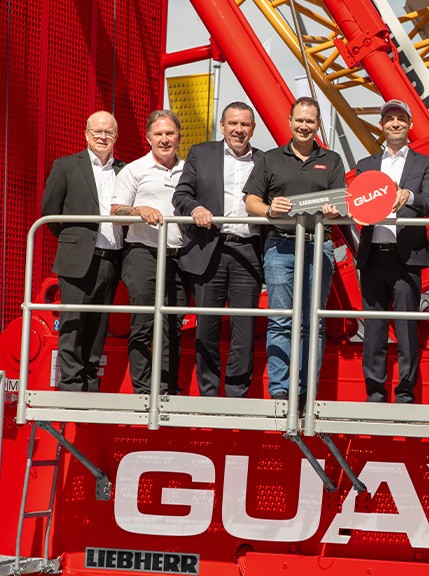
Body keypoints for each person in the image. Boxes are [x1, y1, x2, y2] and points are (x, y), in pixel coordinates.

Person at [243, 97, 344, 402]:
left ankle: (305, 390)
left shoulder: (333, 160)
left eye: (310, 121)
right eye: (299, 120)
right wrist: (270, 210)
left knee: (313, 320)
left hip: (318, 246)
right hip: (280, 247)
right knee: (282, 319)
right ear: (289, 122)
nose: (304, 126)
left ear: (317, 125)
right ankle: (279, 391)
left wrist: (334, 210)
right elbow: (251, 201)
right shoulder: (270, 159)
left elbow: (341, 202)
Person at [172, 102, 263, 398]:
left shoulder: (264, 160)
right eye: (233, 124)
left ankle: (237, 394)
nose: (239, 130)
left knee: (244, 329)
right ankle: (209, 394)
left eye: (245, 125)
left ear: (253, 128)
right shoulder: (201, 153)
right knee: (206, 327)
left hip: (247, 251)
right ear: (222, 126)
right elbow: (181, 194)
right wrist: (196, 207)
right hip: (208, 248)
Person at [355, 99, 429, 403]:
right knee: (374, 329)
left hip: (407, 257)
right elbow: (352, 204)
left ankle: (405, 393)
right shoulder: (365, 166)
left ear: (410, 124)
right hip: (372, 255)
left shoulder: (425, 164)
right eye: (389, 118)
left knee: (406, 329)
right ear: (381, 125)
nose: (395, 123)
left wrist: (410, 195)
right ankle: (374, 392)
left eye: (401, 118)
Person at [41, 111, 126, 392]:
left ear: (116, 136)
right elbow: (50, 212)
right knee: (74, 323)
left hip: (112, 259)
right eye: (97, 132)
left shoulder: (124, 171)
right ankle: (72, 383)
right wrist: (74, 241)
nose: (103, 137)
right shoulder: (66, 166)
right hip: (78, 258)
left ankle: (90, 380)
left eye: (109, 132)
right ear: (86, 134)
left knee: (99, 325)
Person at [111, 110, 190, 395]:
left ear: (179, 136)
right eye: (159, 134)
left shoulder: (189, 170)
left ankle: (167, 388)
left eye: (170, 133)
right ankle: (144, 388)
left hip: (179, 257)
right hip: (144, 253)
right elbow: (115, 211)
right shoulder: (134, 170)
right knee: (144, 321)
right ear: (148, 138)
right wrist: (138, 210)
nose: (165, 139)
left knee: (173, 324)